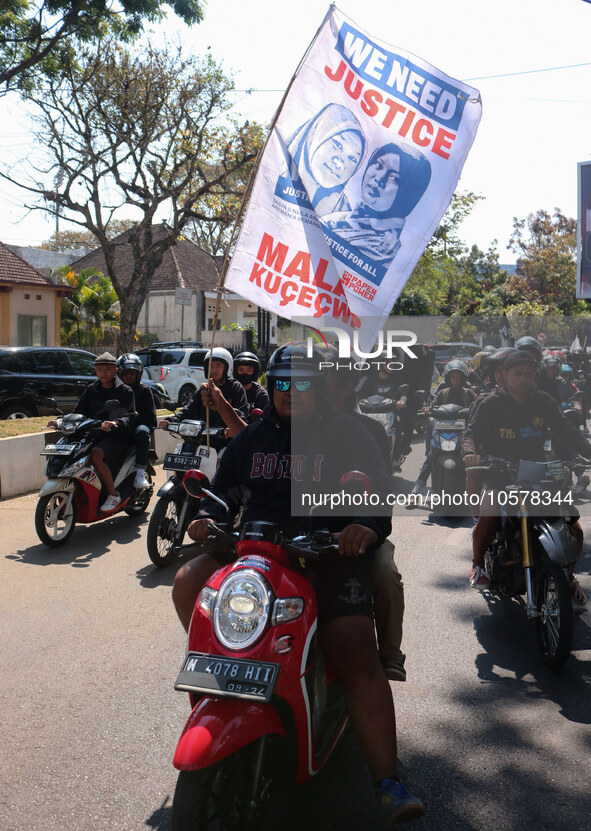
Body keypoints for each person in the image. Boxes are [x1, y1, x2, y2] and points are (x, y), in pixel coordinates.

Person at [172, 343, 425, 823]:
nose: (292, 392)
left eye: (303, 383)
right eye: (283, 383)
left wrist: (364, 526)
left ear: (321, 387)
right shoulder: (252, 438)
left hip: (328, 557)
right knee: (188, 581)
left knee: (354, 649)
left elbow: (376, 493)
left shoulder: (350, 433)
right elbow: (224, 493)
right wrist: (206, 518)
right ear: (272, 387)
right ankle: (224, 679)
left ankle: (387, 780)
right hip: (255, 554)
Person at [462, 349, 590, 603]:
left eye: (529, 375)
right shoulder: (491, 404)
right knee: (488, 512)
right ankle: (477, 565)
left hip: (538, 476)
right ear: (506, 375)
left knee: (574, 528)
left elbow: (568, 432)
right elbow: (472, 434)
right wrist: (470, 453)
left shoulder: (545, 402)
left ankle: (569, 577)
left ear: (535, 377)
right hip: (500, 475)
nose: (523, 379)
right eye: (518, 374)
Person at [327, 358, 406, 682]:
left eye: (325, 384)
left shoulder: (371, 431)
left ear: (347, 388)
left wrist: (366, 527)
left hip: (359, 533)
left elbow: (381, 488)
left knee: (386, 574)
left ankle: (389, 653)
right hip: (303, 534)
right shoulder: (297, 427)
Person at [323, 142, 431, 267]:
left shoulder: (391, 255)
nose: (379, 178)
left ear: (410, 195)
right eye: (379, 165)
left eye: (394, 178)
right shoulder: (333, 220)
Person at [73, 352, 135, 512]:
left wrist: (114, 422)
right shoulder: (90, 390)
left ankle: (113, 494)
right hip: (93, 434)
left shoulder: (125, 391)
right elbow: (78, 412)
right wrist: (62, 420)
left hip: (116, 436)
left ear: (115, 370)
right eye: (99, 369)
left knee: (96, 455)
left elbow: (129, 417)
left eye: (107, 369)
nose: (103, 373)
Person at [284, 103, 366, 216]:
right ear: (314, 135)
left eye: (352, 158)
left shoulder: (344, 217)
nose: (339, 164)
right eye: (337, 145)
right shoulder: (273, 174)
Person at [413, 360, 476, 493]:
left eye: (458, 377)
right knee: (431, 454)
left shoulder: (469, 394)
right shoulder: (443, 393)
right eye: (453, 377)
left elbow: (476, 407)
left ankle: (479, 488)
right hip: (442, 429)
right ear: (448, 378)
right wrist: (427, 408)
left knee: (475, 454)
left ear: (463, 378)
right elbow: (432, 405)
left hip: (462, 431)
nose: (455, 380)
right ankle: (417, 487)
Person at [159, 347, 248, 437]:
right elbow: (189, 409)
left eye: (218, 366)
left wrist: (231, 428)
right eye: (211, 366)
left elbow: (242, 414)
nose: (213, 370)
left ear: (227, 367)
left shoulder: (235, 387)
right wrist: (171, 420)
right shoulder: (204, 389)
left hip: (226, 439)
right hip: (204, 438)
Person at [116, 353, 156, 489]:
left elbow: (150, 416)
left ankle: (140, 474)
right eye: (126, 373)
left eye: (132, 373)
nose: (129, 376)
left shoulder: (144, 390)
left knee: (143, 432)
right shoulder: (116, 391)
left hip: (138, 427)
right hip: (119, 426)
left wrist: (135, 418)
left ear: (138, 374)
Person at [233, 351, 269, 417]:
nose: (245, 373)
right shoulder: (230, 390)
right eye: (241, 370)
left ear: (254, 372)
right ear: (236, 371)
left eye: (249, 370)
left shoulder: (261, 395)